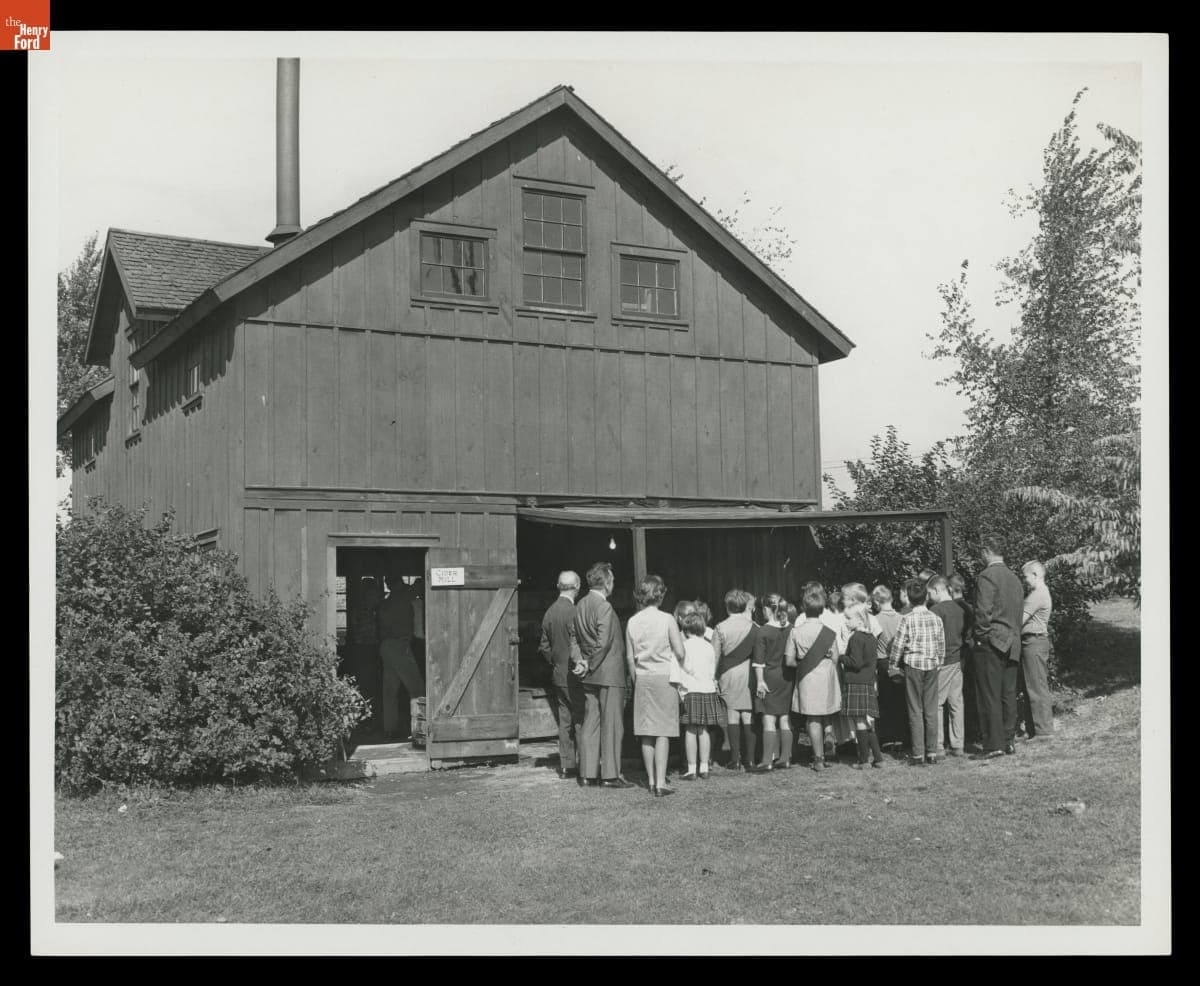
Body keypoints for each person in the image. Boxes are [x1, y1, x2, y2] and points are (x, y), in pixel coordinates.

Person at [574, 562, 635, 788]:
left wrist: (581, 662)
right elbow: (604, 642)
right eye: (612, 580)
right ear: (607, 582)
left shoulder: (579, 604)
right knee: (612, 725)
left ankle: (587, 774)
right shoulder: (605, 607)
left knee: (590, 723)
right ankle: (610, 775)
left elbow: (575, 638)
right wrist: (589, 663)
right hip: (608, 674)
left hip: (589, 676)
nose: (613, 584)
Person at [626, 575, 687, 798]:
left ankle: (651, 781)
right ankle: (661, 782)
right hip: (664, 677)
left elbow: (630, 658)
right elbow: (680, 652)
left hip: (642, 677)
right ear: (660, 595)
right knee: (663, 731)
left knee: (646, 732)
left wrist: (637, 680)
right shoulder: (667, 619)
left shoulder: (633, 621)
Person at [971, 538, 1025, 760]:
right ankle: (1008, 740)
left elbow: (983, 611)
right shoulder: (1014, 578)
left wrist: (982, 636)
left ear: (986, 552)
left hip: (993, 641)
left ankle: (994, 744)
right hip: (1013, 642)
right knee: (1008, 694)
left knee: (989, 694)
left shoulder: (986, 576)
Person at [889, 577, 945, 766]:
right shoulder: (935, 618)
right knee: (931, 710)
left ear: (910, 599)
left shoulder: (907, 619)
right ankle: (932, 752)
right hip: (931, 664)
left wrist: (893, 664)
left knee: (915, 709)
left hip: (913, 664)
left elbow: (898, 644)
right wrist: (939, 661)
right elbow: (941, 643)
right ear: (926, 597)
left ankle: (918, 754)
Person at [786, 582, 841, 771]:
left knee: (813, 718)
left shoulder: (796, 630)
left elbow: (789, 661)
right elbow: (835, 657)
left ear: (803, 607)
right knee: (827, 710)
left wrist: (804, 665)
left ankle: (818, 758)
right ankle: (829, 732)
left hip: (807, 677)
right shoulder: (829, 632)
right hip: (826, 674)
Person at [539, 570, 584, 779]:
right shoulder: (575, 612)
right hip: (576, 674)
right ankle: (586, 764)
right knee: (581, 720)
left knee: (564, 721)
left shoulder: (549, 612)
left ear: (558, 586)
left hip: (558, 674)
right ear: (577, 586)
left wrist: (556, 662)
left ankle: (567, 765)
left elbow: (544, 647)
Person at [712, 588, 759, 770]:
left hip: (728, 674)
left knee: (732, 714)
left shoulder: (720, 627)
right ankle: (751, 759)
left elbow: (714, 657)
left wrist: (713, 678)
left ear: (727, 606)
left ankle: (735, 759)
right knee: (748, 716)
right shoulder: (755, 627)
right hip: (749, 674)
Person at [676, 602, 723, 780]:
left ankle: (691, 768)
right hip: (707, 690)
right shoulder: (708, 647)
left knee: (690, 730)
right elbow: (712, 670)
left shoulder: (685, 646)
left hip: (691, 691)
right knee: (703, 729)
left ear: (686, 629)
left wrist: (681, 689)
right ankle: (704, 766)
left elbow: (684, 669)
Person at [750, 593, 795, 771]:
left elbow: (758, 661)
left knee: (768, 718)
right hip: (787, 677)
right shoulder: (792, 629)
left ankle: (767, 760)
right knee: (784, 718)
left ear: (767, 609)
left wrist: (760, 681)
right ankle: (785, 758)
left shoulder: (763, 631)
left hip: (769, 676)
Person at [377, 574, 422, 741]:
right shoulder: (403, 596)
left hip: (386, 646)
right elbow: (420, 585)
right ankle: (419, 731)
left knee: (390, 691)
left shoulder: (386, 602)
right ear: (396, 584)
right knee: (417, 689)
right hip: (399, 646)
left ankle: (390, 730)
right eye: (401, 582)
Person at [840, 602, 884, 769]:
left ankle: (864, 760)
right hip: (867, 682)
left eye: (848, 618)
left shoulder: (855, 638)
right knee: (867, 723)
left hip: (856, 682)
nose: (846, 621)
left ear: (859, 620)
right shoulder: (871, 637)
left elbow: (856, 663)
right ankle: (878, 758)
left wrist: (841, 657)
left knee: (860, 722)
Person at [927, 575, 966, 757]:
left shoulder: (936, 610)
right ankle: (958, 743)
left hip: (942, 662)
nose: (928, 597)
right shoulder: (960, 609)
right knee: (956, 702)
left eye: (929, 593)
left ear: (937, 590)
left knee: (936, 703)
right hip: (957, 659)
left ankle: (938, 744)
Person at [1019, 561, 1055, 741]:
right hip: (1033, 642)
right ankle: (1036, 729)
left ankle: (1044, 731)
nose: (1024, 581)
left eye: (1025, 576)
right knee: (1033, 685)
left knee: (1036, 686)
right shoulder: (1040, 593)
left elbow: (1019, 620)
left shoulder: (1037, 595)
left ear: (1035, 574)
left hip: (1034, 642)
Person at [872, 584, 906, 747]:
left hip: (882, 661)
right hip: (899, 661)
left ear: (876, 602)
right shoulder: (901, 618)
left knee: (884, 702)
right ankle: (900, 736)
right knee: (899, 701)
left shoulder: (875, 619)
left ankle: (886, 738)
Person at [948, 573, 979, 747]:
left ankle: (958, 735)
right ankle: (972, 732)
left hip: (958, 656)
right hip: (971, 653)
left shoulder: (951, 609)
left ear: (950, 589)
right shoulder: (970, 608)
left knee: (956, 697)